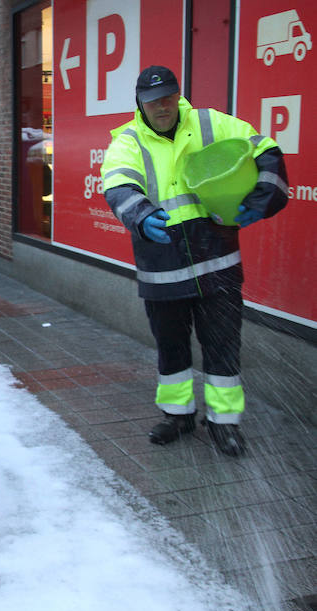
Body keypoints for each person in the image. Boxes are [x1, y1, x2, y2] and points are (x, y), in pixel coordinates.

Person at [100, 66, 288, 456]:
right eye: (153, 100)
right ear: (140, 103)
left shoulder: (208, 122)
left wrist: (265, 195)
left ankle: (224, 423)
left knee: (222, 345)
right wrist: (139, 213)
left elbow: (264, 148)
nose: (162, 105)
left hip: (216, 260)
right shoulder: (128, 140)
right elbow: (117, 181)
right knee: (171, 347)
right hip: (162, 263)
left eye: (168, 96)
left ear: (177, 94)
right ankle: (178, 415)